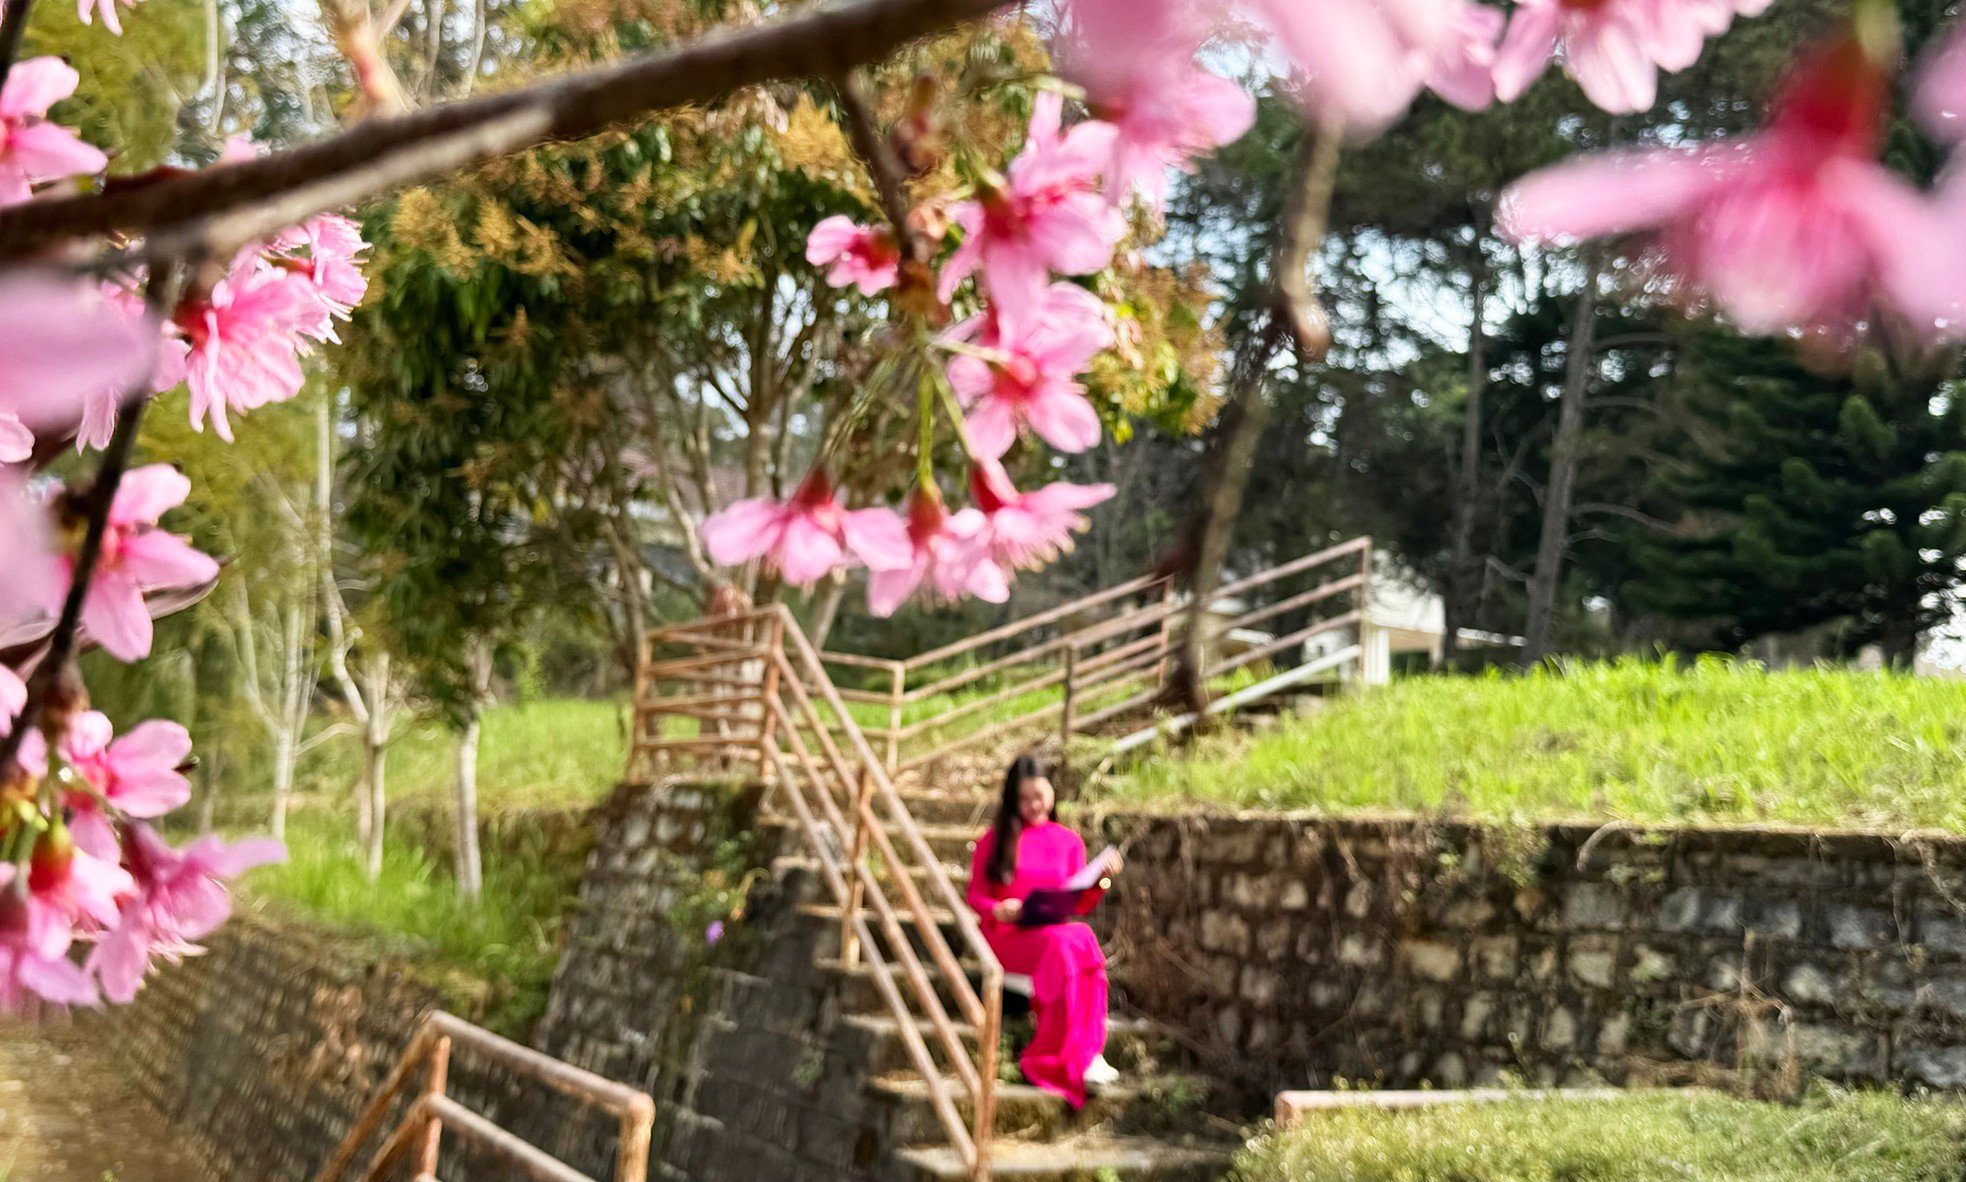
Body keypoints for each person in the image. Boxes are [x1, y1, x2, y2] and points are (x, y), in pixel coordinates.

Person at [964, 754, 1123, 1107]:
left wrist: (1100, 880)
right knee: (1064, 944)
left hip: (1051, 933)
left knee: (1082, 937)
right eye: (1024, 798)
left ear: (1052, 793)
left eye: (1039, 795)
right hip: (1006, 937)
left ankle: (1087, 1050)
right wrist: (998, 909)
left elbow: (1078, 903)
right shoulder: (995, 839)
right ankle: (1055, 1057)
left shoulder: (1069, 841)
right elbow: (974, 896)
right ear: (1011, 799)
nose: (1033, 805)